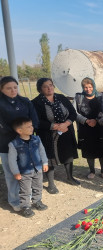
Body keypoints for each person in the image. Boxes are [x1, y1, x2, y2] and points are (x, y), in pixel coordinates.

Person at [32, 78, 79, 194]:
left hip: (66, 131)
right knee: (50, 158)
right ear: (40, 89)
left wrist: (66, 124)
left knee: (68, 155)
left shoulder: (61, 98)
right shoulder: (35, 103)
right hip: (47, 135)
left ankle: (70, 177)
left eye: (51, 85)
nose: (49, 88)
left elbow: (73, 113)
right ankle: (51, 184)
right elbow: (36, 121)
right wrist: (55, 126)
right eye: (45, 86)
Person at [0, 76, 39, 212]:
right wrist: (19, 133)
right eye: (8, 88)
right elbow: (2, 126)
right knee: (12, 173)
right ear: (2, 89)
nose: (13, 90)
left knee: (28, 172)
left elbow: (34, 119)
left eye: (15, 87)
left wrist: (27, 133)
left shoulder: (25, 101)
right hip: (7, 144)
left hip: (27, 144)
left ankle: (28, 198)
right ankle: (14, 200)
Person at [8, 117, 48, 218]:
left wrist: (45, 163)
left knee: (38, 186)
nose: (32, 128)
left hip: (37, 169)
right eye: (28, 126)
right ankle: (25, 207)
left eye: (32, 125)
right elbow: (12, 160)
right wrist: (16, 172)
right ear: (19, 130)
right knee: (25, 190)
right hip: (24, 172)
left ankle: (37, 201)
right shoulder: (13, 144)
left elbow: (42, 151)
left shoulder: (36, 139)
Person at [75, 77, 103, 179]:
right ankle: (92, 171)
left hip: (100, 128)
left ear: (93, 86)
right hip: (85, 128)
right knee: (88, 150)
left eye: (90, 87)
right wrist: (86, 120)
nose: (88, 89)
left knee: (102, 150)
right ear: (83, 88)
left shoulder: (101, 97)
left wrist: (96, 120)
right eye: (85, 87)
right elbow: (74, 113)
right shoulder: (79, 98)